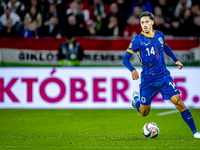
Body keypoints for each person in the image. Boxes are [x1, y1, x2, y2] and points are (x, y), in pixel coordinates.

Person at [122, 11, 200, 138]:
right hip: (148, 81)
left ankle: (195, 132)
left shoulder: (159, 35)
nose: (144, 25)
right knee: (144, 112)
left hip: (164, 77)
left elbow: (166, 47)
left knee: (178, 101)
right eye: (142, 23)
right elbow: (125, 59)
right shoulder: (137, 40)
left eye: (147, 22)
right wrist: (132, 70)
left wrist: (176, 60)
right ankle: (136, 99)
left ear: (152, 22)